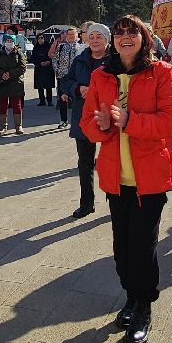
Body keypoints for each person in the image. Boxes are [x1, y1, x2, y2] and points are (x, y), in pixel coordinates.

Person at [81, 14, 172, 343]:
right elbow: (88, 124)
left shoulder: (161, 72)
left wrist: (129, 120)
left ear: (144, 38)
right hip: (115, 175)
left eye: (132, 33)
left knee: (142, 245)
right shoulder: (101, 75)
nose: (126, 38)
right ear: (113, 40)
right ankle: (130, 294)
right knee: (121, 246)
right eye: (120, 33)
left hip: (151, 176)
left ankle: (143, 305)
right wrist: (104, 126)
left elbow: (171, 121)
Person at [60, 23, 110, 218]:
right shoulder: (81, 59)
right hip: (84, 116)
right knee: (85, 163)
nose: (95, 40)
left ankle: (117, 201)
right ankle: (87, 203)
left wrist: (99, 92)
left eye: (100, 36)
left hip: (109, 116)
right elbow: (66, 81)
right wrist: (78, 89)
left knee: (113, 161)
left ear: (107, 39)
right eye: (92, 36)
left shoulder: (114, 60)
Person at [0, 33, 27, 134]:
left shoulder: (18, 53)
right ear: (4, 42)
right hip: (2, 83)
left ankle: (18, 126)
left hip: (15, 83)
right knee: (2, 105)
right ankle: (3, 127)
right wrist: (2, 74)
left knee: (17, 105)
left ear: (14, 42)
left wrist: (10, 74)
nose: (9, 43)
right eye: (7, 41)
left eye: (11, 41)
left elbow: (23, 67)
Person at [52, 27, 81, 125]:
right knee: (62, 99)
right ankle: (63, 120)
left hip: (75, 78)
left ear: (77, 35)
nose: (71, 36)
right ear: (66, 36)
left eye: (73, 34)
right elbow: (55, 59)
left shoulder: (81, 48)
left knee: (76, 100)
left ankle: (76, 120)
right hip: (63, 77)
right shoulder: (61, 47)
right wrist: (57, 70)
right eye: (69, 34)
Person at [31, 32, 55, 107]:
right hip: (39, 68)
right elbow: (33, 58)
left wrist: (49, 62)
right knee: (40, 86)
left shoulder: (49, 45)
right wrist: (40, 63)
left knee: (48, 86)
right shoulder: (35, 47)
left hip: (48, 68)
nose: (41, 39)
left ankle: (50, 101)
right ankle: (42, 101)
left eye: (42, 38)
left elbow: (53, 56)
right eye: (39, 38)